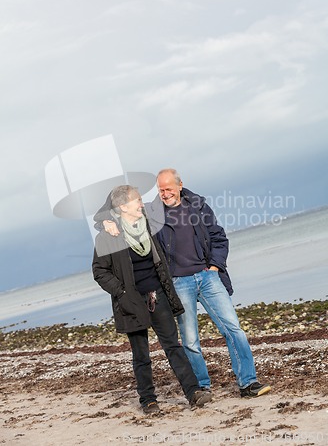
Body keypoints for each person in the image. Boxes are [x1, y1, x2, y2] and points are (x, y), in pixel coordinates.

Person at [94, 171, 271, 399]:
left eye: (169, 188)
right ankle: (201, 387)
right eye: (161, 189)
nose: (165, 193)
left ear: (180, 185)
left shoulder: (197, 206)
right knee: (189, 341)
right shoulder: (151, 212)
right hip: (179, 283)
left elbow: (218, 236)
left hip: (208, 278)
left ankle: (248, 383)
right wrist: (105, 222)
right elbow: (114, 212)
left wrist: (215, 266)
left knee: (234, 330)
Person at [92, 184, 212, 415]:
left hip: (158, 295)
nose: (141, 204)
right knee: (141, 354)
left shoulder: (148, 223)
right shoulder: (107, 237)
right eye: (136, 200)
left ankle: (193, 392)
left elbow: (169, 200)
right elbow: (100, 271)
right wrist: (122, 293)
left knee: (173, 347)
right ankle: (148, 400)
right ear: (123, 207)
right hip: (131, 302)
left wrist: (177, 185)